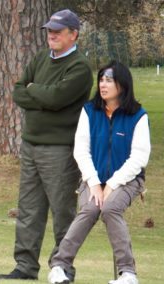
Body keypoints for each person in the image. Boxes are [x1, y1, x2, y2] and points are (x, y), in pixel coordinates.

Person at [0, 9, 93, 281]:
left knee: (62, 212)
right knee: (28, 209)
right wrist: (36, 92)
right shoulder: (40, 58)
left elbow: (56, 98)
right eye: (49, 29)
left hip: (60, 150)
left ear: (73, 35)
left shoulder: (80, 67)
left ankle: (62, 269)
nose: (51, 34)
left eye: (58, 31)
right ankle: (25, 268)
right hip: (31, 146)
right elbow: (18, 91)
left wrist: (33, 89)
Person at [48, 61, 150, 284]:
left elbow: (139, 158)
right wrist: (94, 183)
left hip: (127, 180)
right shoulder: (89, 112)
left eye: (109, 80)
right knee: (91, 208)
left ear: (122, 85)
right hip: (92, 178)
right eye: (101, 80)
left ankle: (128, 273)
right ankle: (59, 266)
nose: (103, 85)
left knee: (111, 208)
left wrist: (112, 184)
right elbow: (81, 150)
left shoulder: (138, 116)